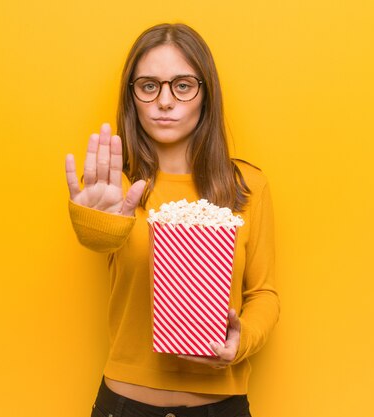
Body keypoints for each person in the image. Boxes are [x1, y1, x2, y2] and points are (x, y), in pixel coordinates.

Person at [65, 23, 279, 417]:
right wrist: (94, 220)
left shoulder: (248, 186)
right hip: (126, 405)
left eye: (182, 85)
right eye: (149, 86)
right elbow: (99, 241)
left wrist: (241, 339)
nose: (165, 101)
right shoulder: (118, 188)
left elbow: (263, 293)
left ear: (205, 94)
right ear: (133, 98)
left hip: (222, 406)